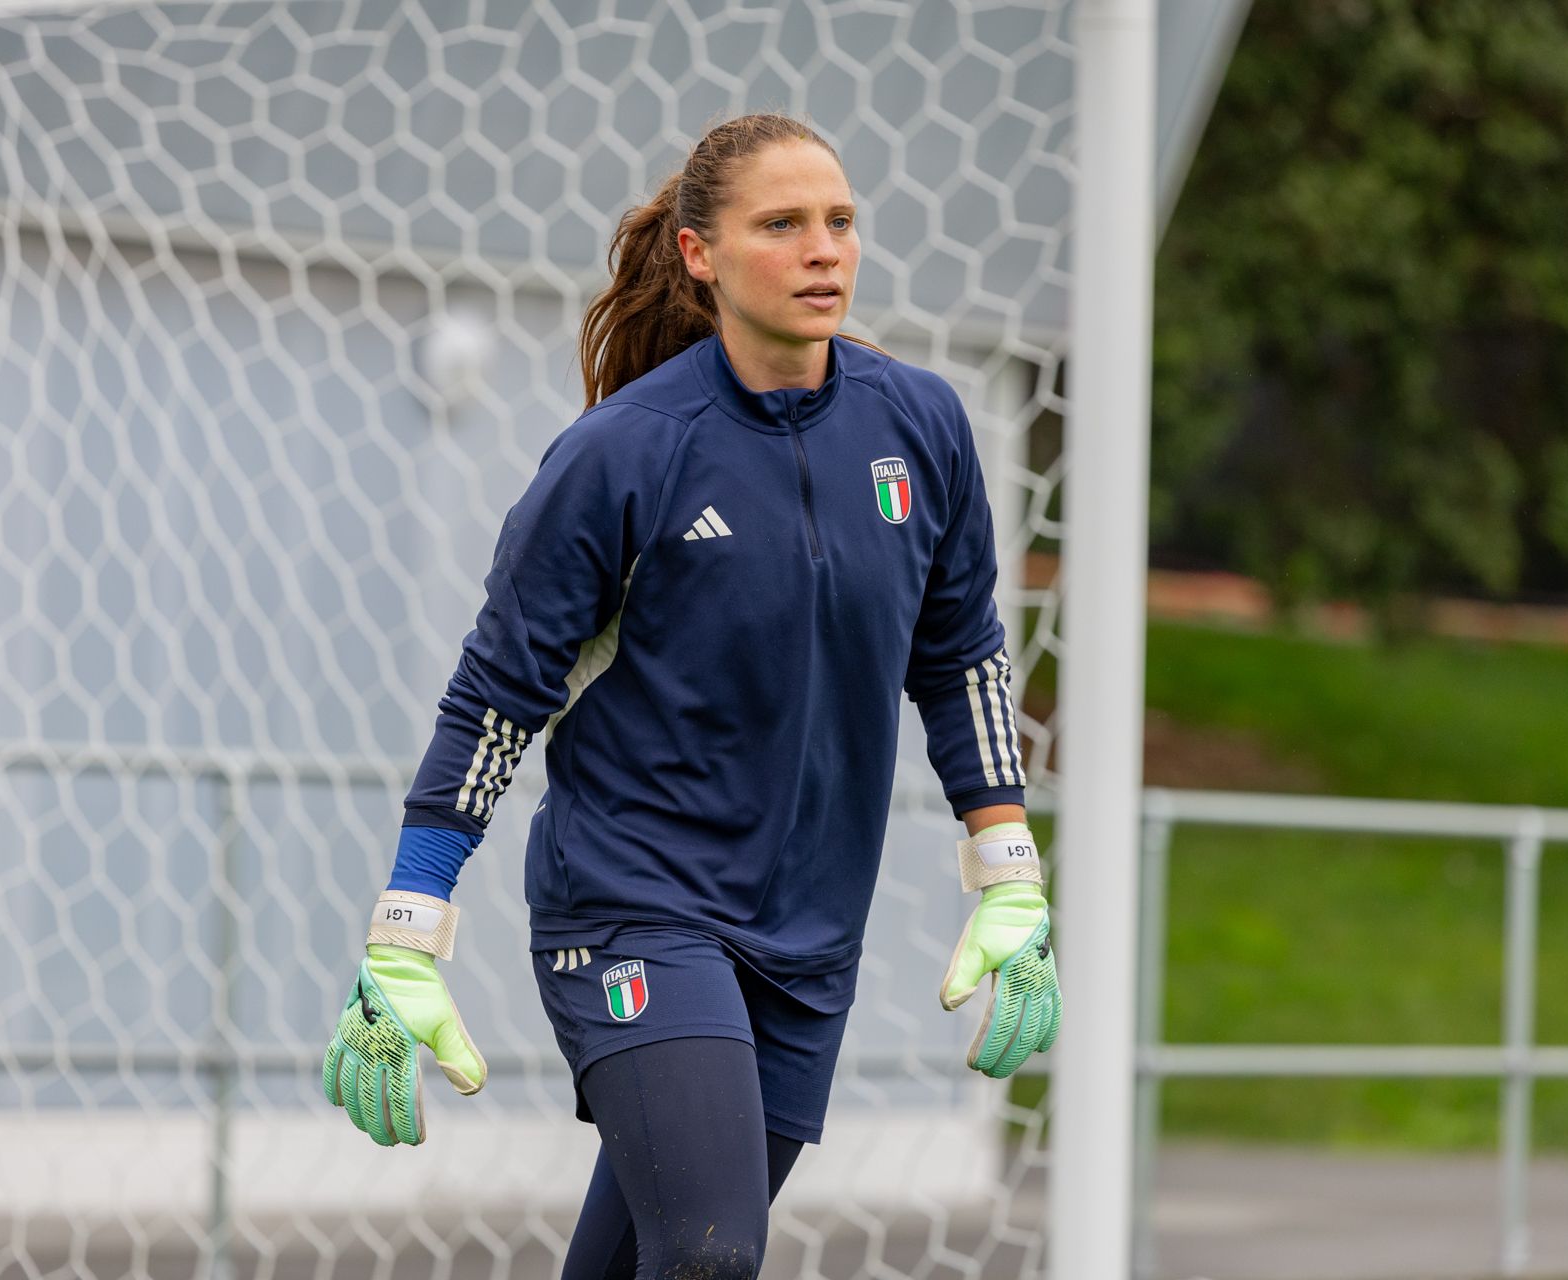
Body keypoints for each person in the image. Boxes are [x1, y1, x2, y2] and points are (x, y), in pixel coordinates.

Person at [321, 113, 1061, 1280]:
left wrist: (1010, 870)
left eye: (840, 222)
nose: (825, 250)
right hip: (637, 902)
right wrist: (407, 927)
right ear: (698, 253)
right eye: (783, 224)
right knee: (711, 1250)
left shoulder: (922, 426)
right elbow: (496, 695)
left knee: (650, 1257)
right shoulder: (621, 455)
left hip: (813, 930)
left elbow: (962, 649)